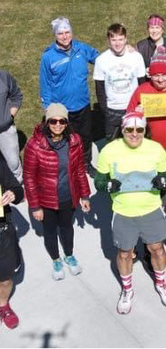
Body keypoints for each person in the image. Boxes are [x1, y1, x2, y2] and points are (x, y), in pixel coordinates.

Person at [95, 112, 166, 313]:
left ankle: (161, 283)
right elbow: (99, 181)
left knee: (157, 248)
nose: (134, 134)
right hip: (123, 210)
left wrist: (163, 182)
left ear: (144, 130)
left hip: (151, 208)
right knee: (125, 253)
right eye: (129, 129)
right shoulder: (109, 150)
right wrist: (108, 185)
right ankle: (127, 289)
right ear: (122, 130)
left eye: (139, 129)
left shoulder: (155, 149)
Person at [127, 46, 166, 235]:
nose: (160, 79)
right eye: (156, 75)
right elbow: (127, 120)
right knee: (152, 184)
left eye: (164, 75)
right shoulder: (141, 91)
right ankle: (153, 217)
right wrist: (136, 114)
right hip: (150, 150)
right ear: (150, 75)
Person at [23, 103, 91, 280]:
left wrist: (84, 195)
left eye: (62, 121)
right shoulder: (35, 145)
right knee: (50, 231)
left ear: (67, 123)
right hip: (46, 200)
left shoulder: (74, 141)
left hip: (68, 196)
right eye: (53, 121)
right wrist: (35, 206)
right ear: (47, 122)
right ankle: (56, 259)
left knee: (67, 227)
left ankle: (69, 255)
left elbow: (80, 170)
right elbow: (29, 177)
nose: (58, 125)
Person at [39, 17, 99, 177]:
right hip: (62, 109)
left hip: (83, 104)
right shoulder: (48, 57)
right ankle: (70, 167)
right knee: (65, 140)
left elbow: (101, 59)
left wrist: (125, 51)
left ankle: (86, 163)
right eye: (60, 33)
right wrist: (48, 108)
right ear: (55, 35)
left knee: (86, 136)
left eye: (67, 32)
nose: (65, 36)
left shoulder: (82, 48)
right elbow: (45, 84)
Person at [93, 23, 146, 141]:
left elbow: (142, 84)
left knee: (134, 142)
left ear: (126, 39)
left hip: (132, 107)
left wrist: (140, 105)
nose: (117, 43)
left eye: (121, 39)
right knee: (112, 143)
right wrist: (105, 111)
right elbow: (99, 89)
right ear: (109, 40)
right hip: (112, 110)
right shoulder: (101, 60)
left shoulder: (136, 57)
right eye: (114, 40)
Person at [0, 156, 24, 329]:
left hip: (2, 230)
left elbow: (16, 188)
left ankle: (3, 305)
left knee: (6, 279)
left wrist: (13, 193)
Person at [136, 14, 166, 79]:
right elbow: (134, 68)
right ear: (148, 29)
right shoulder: (140, 46)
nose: (154, 31)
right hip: (147, 82)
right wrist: (144, 72)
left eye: (157, 27)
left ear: (162, 30)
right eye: (151, 28)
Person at [0, 70, 23, 183]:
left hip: (6, 130)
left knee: (13, 164)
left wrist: (10, 116)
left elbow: (17, 96)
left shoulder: (3, 77)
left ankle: (18, 187)